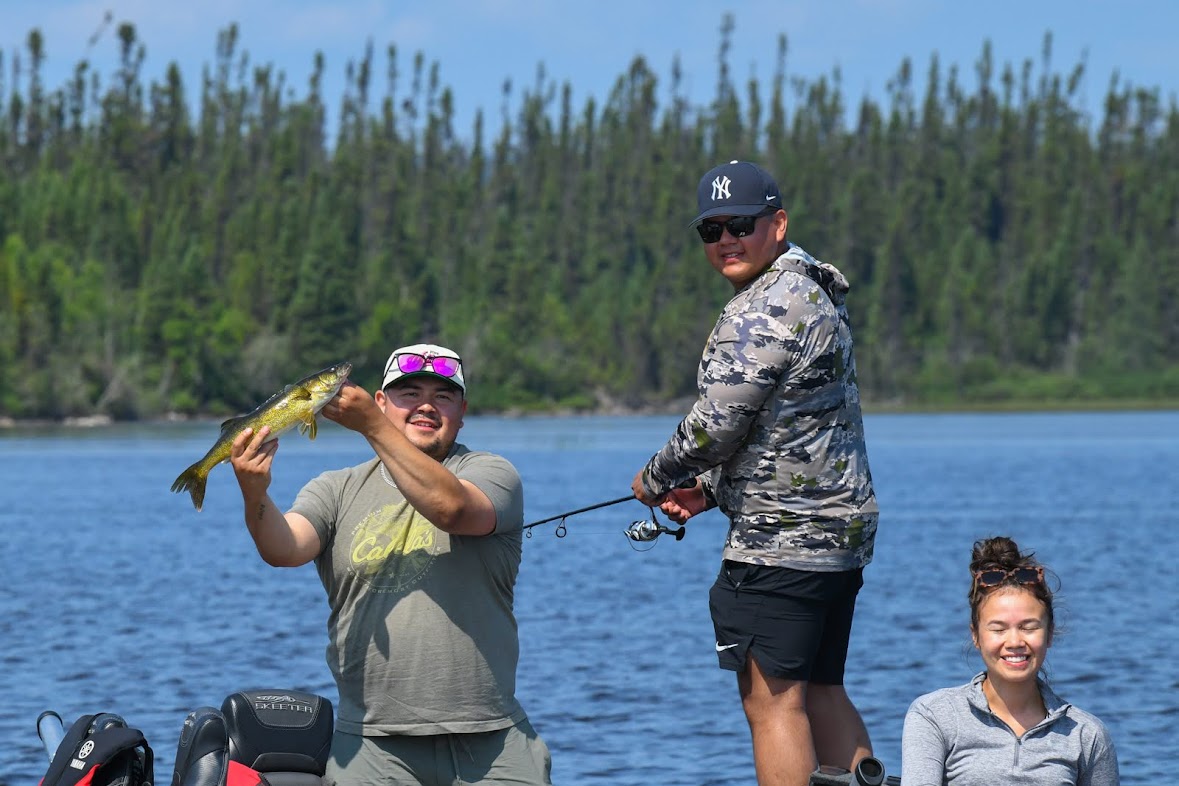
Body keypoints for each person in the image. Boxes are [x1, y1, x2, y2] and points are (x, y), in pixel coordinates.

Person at [631, 160, 879, 786]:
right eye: (710, 231)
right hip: (836, 540)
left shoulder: (764, 305)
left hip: (780, 545)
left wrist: (655, 477)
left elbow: (716, 424)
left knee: (773, 704)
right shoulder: (812, 290)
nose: (725, 242)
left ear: (778, 222)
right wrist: (712, 491)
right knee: (822, 689)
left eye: (740, 224)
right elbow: (791, 425)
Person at [229, 343, 552, 786]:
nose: (425, 406)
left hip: (491, 743)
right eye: (409, 393)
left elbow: (452, 510)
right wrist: (254, 495)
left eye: (443, 396)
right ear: (381, 402)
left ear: (462, 410)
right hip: (371, 746)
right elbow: (283, 549)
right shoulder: (336, 488)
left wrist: (374, 429)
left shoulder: (492, 473)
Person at [901, 536, 1120, 785]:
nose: (1015, 641)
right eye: (998, 629)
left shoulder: (1087, 735)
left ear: (1049, 634)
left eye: (1028, 627)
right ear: (976, 635)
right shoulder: (935, 716)